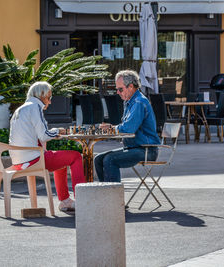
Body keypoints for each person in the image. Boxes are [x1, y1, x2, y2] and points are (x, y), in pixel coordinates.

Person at [9, 81, 85, 212]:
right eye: (49, 98)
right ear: (41, 95)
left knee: (61, 161)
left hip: (19, 160)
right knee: (76, 156)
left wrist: (54, 132)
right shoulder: (35, 107)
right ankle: (83, 199)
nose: (49, 102)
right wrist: (58, 130)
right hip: (34, 159)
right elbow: (44, 135)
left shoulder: (21, 108)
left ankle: (65, 201)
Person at [94, 70, 161, 183]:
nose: (118, 92)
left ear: (130, 87)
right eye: (117, 89)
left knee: (110, 160)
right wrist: (112, 128)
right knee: (98, 159)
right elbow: (126, 127)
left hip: (146, 150)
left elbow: (128, 129)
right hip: (134, 147)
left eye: (120, 89)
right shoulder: (130, 101)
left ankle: (113, 197)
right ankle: (104, 194)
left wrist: (111, 128)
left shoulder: (139, 102)